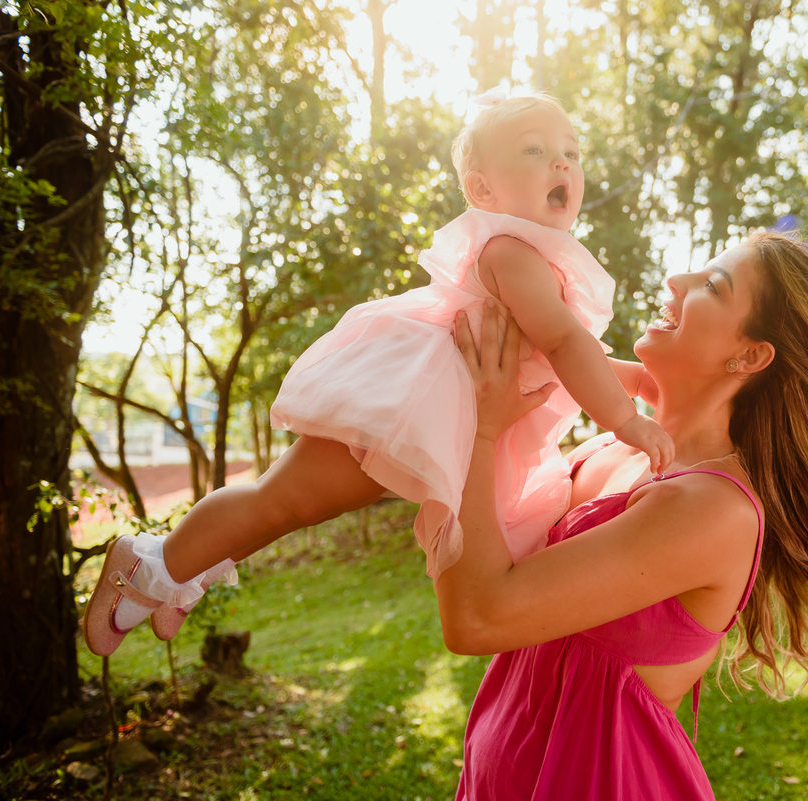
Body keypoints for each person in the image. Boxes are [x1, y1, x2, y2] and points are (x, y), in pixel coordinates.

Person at [82, 91, 674, 657]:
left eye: (571, 151)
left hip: (429, 413)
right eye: (535, 149)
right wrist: (625, 420)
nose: (562, 162)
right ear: (482, 190)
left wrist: (630, 379)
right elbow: (565, 344)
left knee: (298, 505)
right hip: (409, 402)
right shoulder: (511, 252)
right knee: (282, 499)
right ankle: (154, 563)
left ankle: (186, 566)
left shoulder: (536, 262)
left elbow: (550, 355)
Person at [439, 232, 808, 799]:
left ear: (750, 356)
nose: (676, 281)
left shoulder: (711, 507)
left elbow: (476, 617)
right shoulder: (616, 448)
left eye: (713, 286)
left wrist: (479, 431)